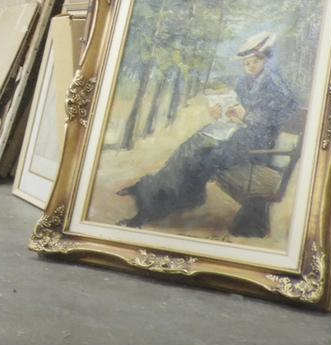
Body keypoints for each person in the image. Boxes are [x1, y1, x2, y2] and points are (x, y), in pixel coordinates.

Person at [116, 31, 298, 237]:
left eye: (255, 61)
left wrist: (249, 115)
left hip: (257, 143)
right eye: (246, 63)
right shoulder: (243, 82)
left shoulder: (275, 84)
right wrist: (222, 111)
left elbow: (287, 110)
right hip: (238, 133)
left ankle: (153, 209)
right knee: (190, 147)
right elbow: (236, 106)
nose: (250, 67)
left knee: (199, 159)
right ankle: (152, 189)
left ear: (265, 59)